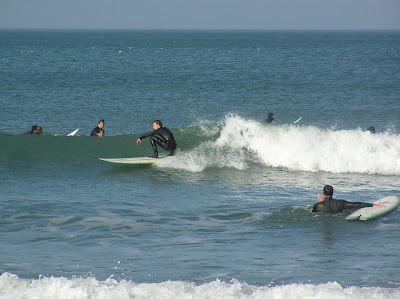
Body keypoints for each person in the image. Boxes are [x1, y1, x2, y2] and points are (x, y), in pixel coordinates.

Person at [312, 185, 384, 214]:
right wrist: (373, 205)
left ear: (323, 194)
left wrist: (321, 203)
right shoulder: (340, 203)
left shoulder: (317, 206)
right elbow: (356, 205)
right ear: (332, 193)